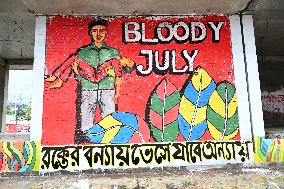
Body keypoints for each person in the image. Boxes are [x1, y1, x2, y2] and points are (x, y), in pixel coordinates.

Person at [45, 19, 135, 143]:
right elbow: (81, 71)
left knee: (109, 119)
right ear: (90, 33)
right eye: (95, 31)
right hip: (88, 88)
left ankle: (108, 144)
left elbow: (118, 76)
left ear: (106, 32)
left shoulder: (113, 53)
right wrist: (77, 73)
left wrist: (117, 93)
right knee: (86, 121)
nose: (98, 34)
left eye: (102, 31)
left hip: (107, 88)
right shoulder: (83, 52)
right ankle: (88, 142)